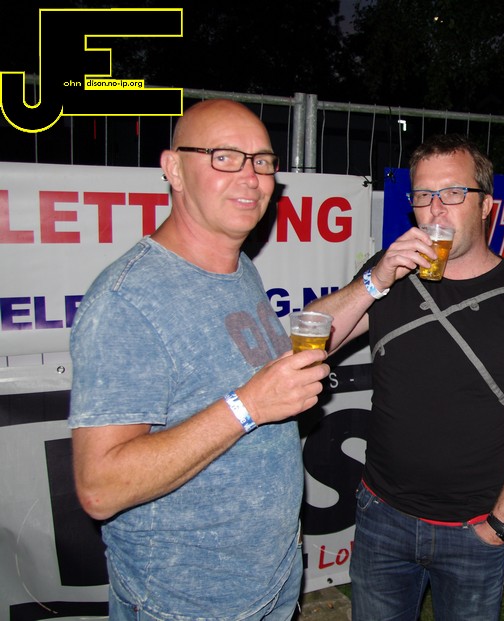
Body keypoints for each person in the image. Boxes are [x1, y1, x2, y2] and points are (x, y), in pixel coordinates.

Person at [69, 99, 330, 620]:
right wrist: (249, 405)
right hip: (186, 604)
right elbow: (99, 488)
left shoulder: (238, 268)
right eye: (224, 157)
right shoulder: (127, 301)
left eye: (262, 161)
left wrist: (376, 281)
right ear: (173, 169)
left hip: (271, 583)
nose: (251, 177)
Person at [304, 133, 504, 620]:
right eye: (424, 194)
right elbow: (311, 337)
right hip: (382, 515)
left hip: (475, 528)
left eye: (453, 192)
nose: (435, 209)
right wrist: (376, 280)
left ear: (486, 204)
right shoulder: (389, 276)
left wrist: (502, 523)